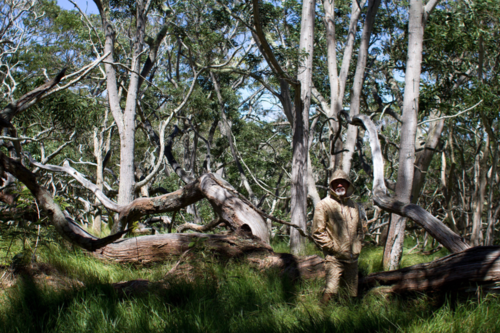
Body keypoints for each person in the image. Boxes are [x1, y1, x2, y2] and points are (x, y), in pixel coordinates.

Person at [312, 169, 364, 304]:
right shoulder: (324, 204)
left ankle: (345, 317)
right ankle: (319, 316)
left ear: (348, 185)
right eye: (336, 183)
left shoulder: (354, 206)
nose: (340, 185)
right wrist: (333, 248)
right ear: (332, 186)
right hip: (334, 258)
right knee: (330, 291)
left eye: (343, 182)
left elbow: (361, 229)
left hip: (353, 257)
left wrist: (358, 245)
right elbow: (318, 231)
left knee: (351, 293)